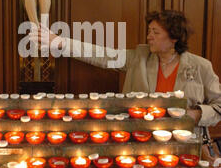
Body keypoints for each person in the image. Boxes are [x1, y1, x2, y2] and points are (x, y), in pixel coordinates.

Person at [31, 10, 221, 129]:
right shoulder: (139, 56)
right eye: (149, 31)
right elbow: (103, 55)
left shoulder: (201, 66)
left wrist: (195, 114)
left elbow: (218, 107)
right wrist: (60, 42)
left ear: (174, 37)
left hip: (182, 146)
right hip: (139, 139)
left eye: (155, 32)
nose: (149, 37)